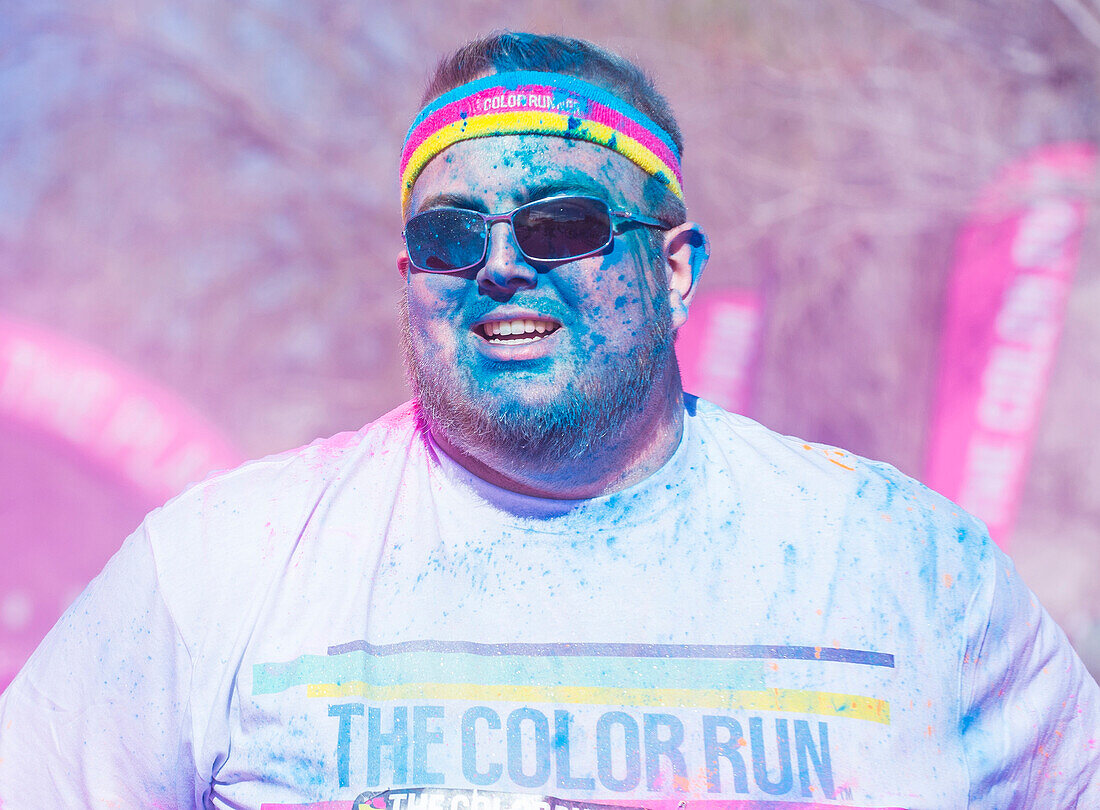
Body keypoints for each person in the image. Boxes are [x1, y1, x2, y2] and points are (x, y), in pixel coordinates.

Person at [1, 31, 1097, 810]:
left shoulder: (909, 570)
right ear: (409, 275)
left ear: (671, 271)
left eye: (561, 224)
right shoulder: (216, 569)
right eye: (449, 235)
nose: (500, 266)